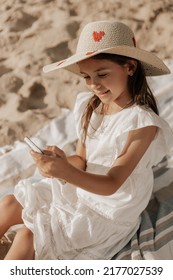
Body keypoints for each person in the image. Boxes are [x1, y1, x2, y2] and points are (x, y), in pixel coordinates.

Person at [0, 20, 173, 260]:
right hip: (81, 187)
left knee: (29, 235)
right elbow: (81, 159)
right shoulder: (90, 107)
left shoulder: (141, 125)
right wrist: (59, 163)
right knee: (9, 202)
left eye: (102, 74)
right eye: (86, 76)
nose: (94, 84)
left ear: (130, 67)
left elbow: (112, 183)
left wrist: (65, 173)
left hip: (107, 209)